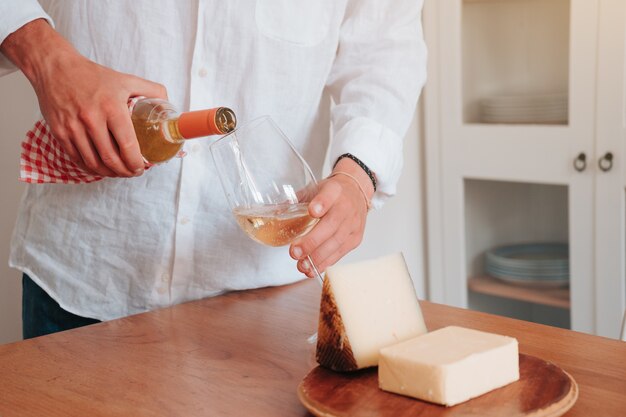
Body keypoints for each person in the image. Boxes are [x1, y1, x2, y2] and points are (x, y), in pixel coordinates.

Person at [0, 1, 426, 338]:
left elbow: (386, 48)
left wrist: (357, 175)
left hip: (263, 302)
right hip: (84, 284)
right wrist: (46, 57)